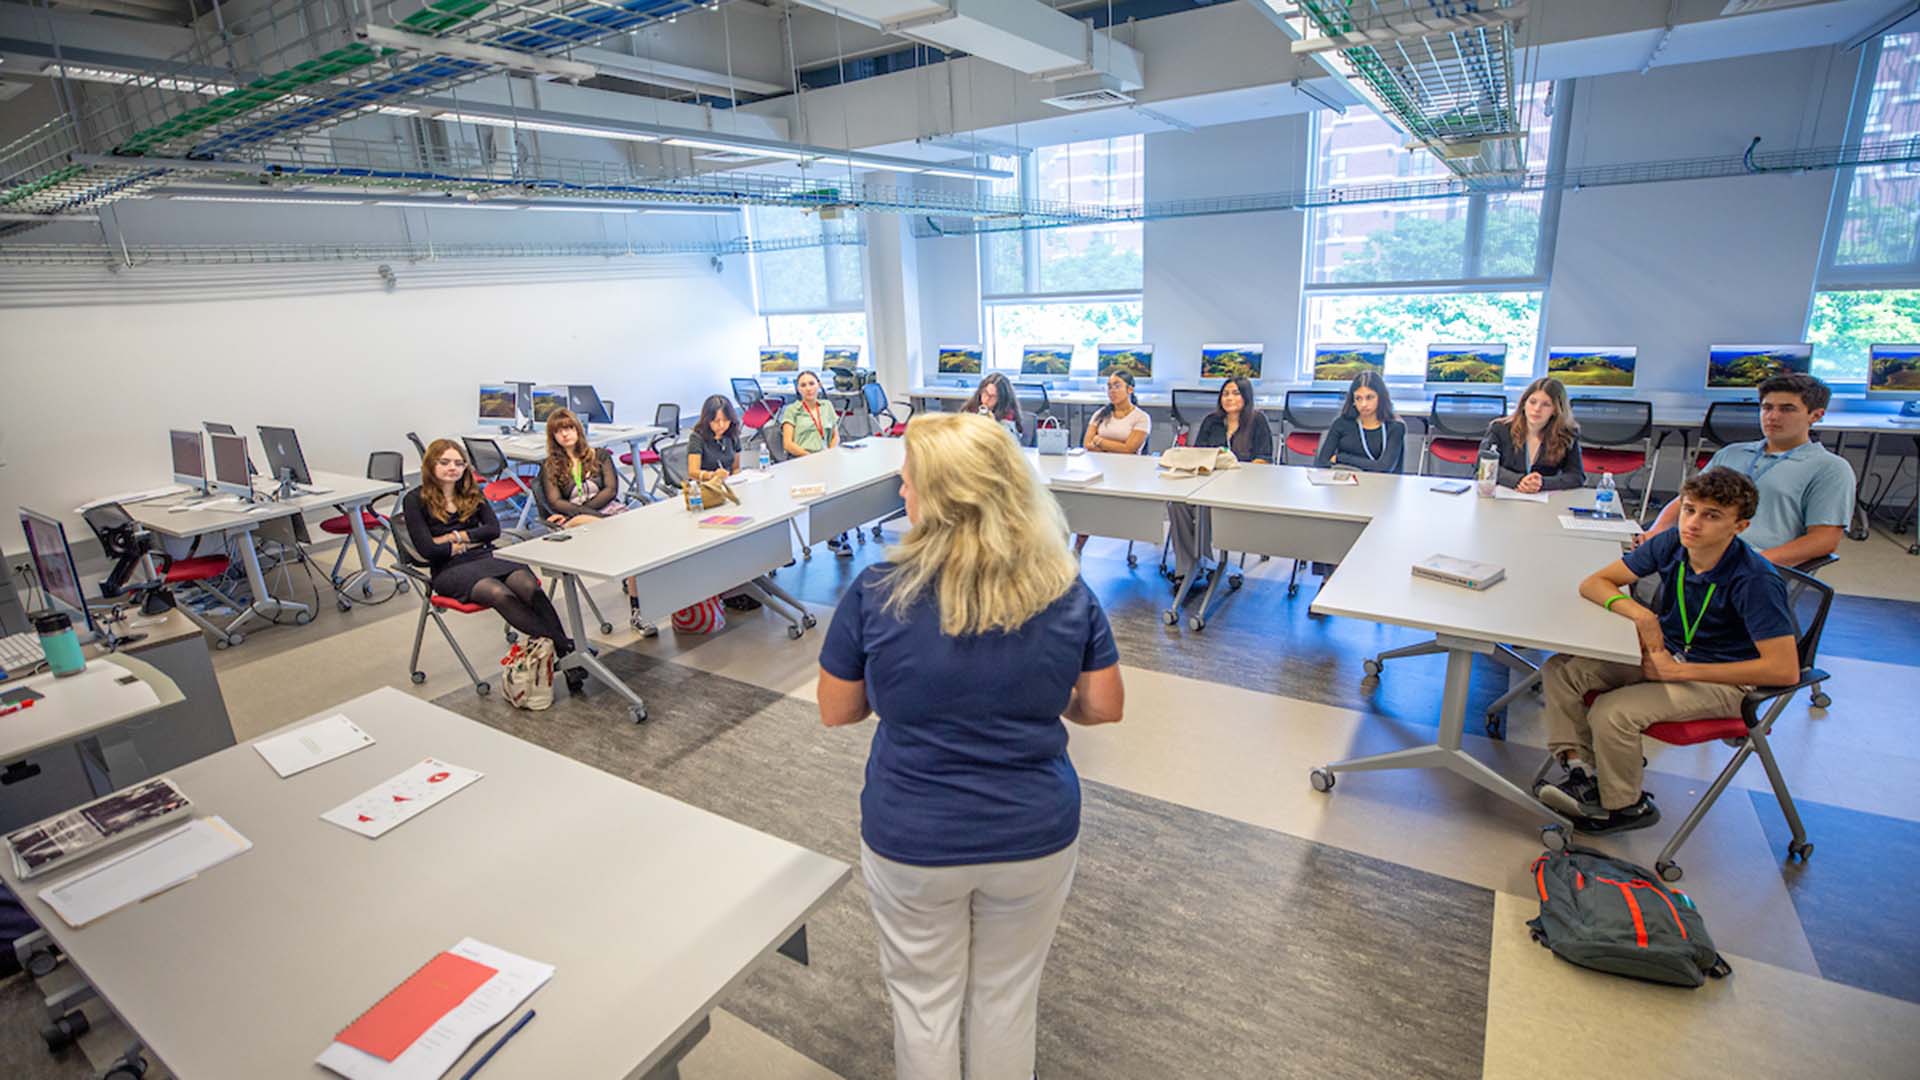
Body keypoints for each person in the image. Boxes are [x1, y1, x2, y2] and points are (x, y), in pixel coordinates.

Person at [816, 411, 1124, 1080]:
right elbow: (1104, 706)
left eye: (909, 483)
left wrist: (914, 699)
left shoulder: (873, 592)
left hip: (912, 836)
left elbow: (838, 710)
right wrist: (1039, 701)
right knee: (1007, 996)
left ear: (945, 496)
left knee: (923, 1002)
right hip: (1035, 831)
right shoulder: (1066, 588)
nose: (902, 494)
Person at [1536, 467, 1798, 834]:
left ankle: (1625, 805)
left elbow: (1784, 671)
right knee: (1561, 671)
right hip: (1668, 653)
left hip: (1727, 680)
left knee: (1612, 711)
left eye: (1712, 516)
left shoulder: (1755, 579)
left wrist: (1681, 672)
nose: (1693, 523)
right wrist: (1642, 616)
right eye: (1689, 509)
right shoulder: (1674, 542)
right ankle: (1584, 771)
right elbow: (1594, 583)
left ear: (1740, 526)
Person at [405, 439, 583, 693]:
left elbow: (492, 530)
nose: (452, 468)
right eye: (444, 462)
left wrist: (453, 538)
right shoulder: (415, 500)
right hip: (449, 569)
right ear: (430, 464)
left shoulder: (471, 492)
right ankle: (567, 649)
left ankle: (564, 652)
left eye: (458, 463)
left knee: (528, 585)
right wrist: (469, 538)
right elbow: (428, 550)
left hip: (486, 556)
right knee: (498, 593)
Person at [1642, 373, 1855, 568]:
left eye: (1787, 409)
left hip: (1750, 565)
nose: (1773, 416)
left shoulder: (1830, 468)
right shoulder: (1732, 453)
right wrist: (1657, 530)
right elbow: (1686, 500)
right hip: (1695, 552)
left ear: (1816, 415)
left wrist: (1754, 563)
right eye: (1767, 407)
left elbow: (1824, 539)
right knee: (1615, 572)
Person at [1167, 376, 1273, 590]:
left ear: (1246, 397)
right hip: (1208, 483)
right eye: (1225, 394)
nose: (1229, 398)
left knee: (1205, 510)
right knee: (1176, 504)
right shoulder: (1211, 421)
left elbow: (1264, 459)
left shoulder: (1257, 421)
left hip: (1241, 486)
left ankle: (1202, 562)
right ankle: (1188, 567)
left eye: (1235, 393)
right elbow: (1198, 454)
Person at [688, 394, 763, 612]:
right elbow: (692, 471)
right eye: (715, 421)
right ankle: (725, 586)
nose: (720, 425)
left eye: (725, 421)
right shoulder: (697, 437)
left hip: (731, 492)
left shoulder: (732, 435)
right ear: (707, 419)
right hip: (710, 495)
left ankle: (750, 577)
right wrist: (711, 475)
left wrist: (737, 477)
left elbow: (736, 467)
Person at [1074, 370, 1152, 556]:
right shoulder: (1101, 414)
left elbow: (1130, 449)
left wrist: (1100, 441)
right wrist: (1113, 447)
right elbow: (1086, 443)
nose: (1112, 390)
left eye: (1117, 386)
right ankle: (1077, 549)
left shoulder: (1141, 417)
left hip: (1127, 473)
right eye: (1109, 386)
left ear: (1130, 389)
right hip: (1098, 469)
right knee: (1084, 501)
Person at [781, 370, 853, 556]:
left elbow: (835, 434)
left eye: (811, 383)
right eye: (803, 385)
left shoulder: (826, 406)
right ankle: (832, 535)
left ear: (819, 385)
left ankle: (839, 533)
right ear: (798, 389)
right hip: (802, 462)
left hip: (827, 458)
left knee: (842, 491)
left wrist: (830, 452)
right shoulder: (792, 410)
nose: (808, 388)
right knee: (825, 495)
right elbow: (788, 444)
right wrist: (811, 458)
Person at [1480, 376, 1586, 492]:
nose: (1536, 409)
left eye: (1546, 404)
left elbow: (1577, 477)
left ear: (1556, 410)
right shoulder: (1499, 429)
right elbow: (1482, 467)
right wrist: (1518, 480)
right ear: (1524, 403)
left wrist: (1542, 483)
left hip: (1544, 502)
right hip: (1505, 498)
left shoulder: (1567, 434)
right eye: (1532, 402)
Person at [1313, 370, 1406, 474]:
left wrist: (1341, 458)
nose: (1363, 404)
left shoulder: (1396, 427)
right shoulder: (1341, 423)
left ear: (1381, 398)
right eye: (1358, 398)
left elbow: (1384, 467)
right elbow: (1322, 462)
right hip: (1345, 485)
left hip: (1381, 485)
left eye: (1369, 397)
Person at [962, 371, 1024, 441]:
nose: (986, 399)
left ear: (1001, 399)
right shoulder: (971, 409)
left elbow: (1007, 444)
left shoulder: (1008, 419)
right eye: (985, 392)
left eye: (992, 396)